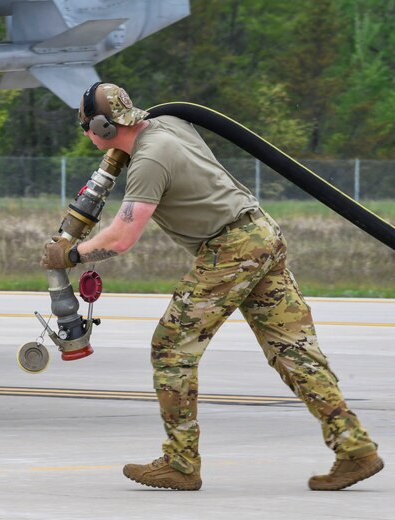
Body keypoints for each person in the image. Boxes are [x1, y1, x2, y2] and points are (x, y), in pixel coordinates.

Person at [41, 82, 383, 491]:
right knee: (293, 352)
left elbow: (122, 236)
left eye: (87, 128)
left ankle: (181, 463)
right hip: (261, 234)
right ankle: (355, 449)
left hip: (230, 251)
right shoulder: (166, 123)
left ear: (103, 126)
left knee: (171, 348)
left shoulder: (149, 161)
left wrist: (73, 255)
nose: (86, 136)